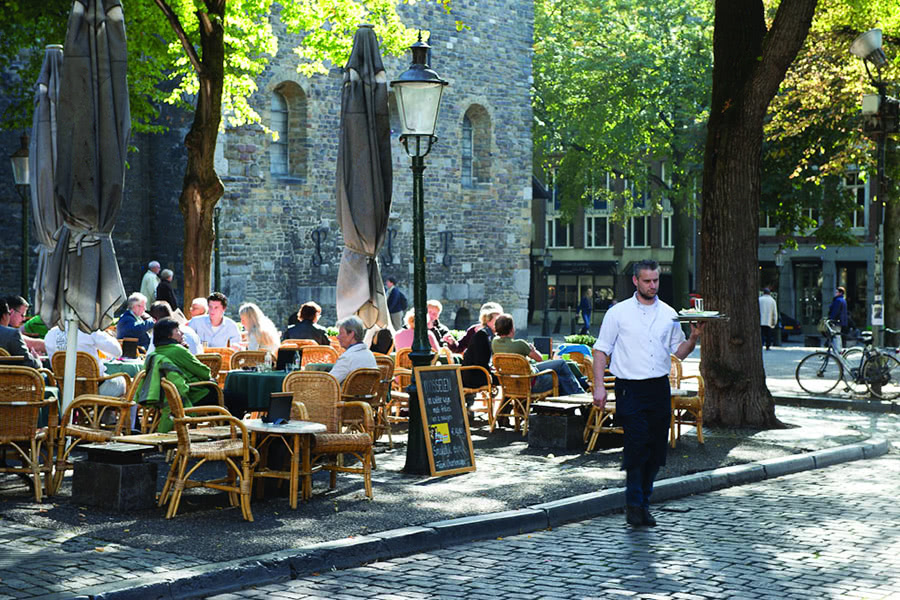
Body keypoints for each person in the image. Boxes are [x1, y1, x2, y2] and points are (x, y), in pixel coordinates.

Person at [591, 259, 702, 528]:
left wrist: (694, 337)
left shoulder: (669, 313)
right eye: (647, 281)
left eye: (656, 281)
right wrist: (599, 385)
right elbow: (600, 350)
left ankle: (645, 502)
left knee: (655, 450)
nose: (653, 286)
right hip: (630, 388)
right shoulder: (618, 313)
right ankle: (634, 504)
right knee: (636, 446)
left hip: (659, 388)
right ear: (635, 281)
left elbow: (678, 352)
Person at [136, 318, 218, 433]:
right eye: (177, 330)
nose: (182, 332)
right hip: (193, 394)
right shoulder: (177, 350)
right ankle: (229, 434)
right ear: (169, 335)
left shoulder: (155, 353)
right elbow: (205, 373)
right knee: (235, 399)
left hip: (165, 399)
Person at [491, 313, 588, 395]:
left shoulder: (494, 342)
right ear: (512, 329)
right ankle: (580, 393)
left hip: (512, 383)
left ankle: (580, 390)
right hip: (532, 382)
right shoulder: (520, 344)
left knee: (562, 372)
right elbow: (540, 358)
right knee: (562, 370)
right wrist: (533, 350)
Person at [45, 320, 127, 396]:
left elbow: (54, 365)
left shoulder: (50, 335)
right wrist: (106, 334)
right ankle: (105, 411)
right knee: (125, 382)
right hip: (96, 388)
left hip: (66, 390)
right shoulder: (90, 331)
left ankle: (99, 411)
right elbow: (117, 352)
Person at [460, 302, 503, 389]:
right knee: (510, 379)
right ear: (488, 321)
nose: (500, 323)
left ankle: (507, 401)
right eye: (497, 320)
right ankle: (506, 402)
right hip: (474, 376)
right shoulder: (482, 335)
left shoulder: (491, 335)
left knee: (510, 377)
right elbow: (480, 361)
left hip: (481, 372)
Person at [329, 315, 377, 384]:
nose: (337, 337)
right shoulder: (369, 354)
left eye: (341, 333)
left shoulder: (347, 358)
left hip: (344, 395)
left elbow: (329, 382)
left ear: (351, 334)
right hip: (367, 394)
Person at [0, 299, 41, 369]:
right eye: (9, 314)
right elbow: (29, 363)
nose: (23, 319)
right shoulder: (12, 334)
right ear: (4, 316)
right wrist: (37, 359)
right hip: (12, 378)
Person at [828, 286, 849, 350]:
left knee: (836, 335)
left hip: (836, 321)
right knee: (838, 335)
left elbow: (835, 311)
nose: (835, 293)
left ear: (840, 293)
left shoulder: (838, 300)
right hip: (840, 321)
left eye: (837, 292)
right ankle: (838, 348)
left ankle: (838, 349)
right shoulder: (843, 300)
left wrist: (831, 319)